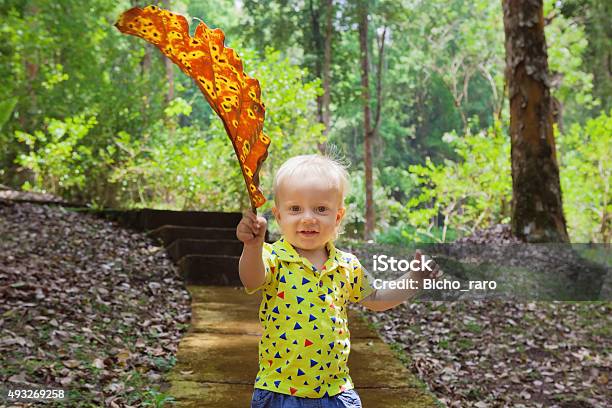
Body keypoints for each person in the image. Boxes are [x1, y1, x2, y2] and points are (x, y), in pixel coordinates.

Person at [236, 154, 442, 408]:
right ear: (278, 216)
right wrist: (253, 246)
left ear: (338, 216)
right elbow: (251, 278)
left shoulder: (346, 264)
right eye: (295, 209)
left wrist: (415, 278)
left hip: (335, 392)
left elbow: (377, 298)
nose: (308, 218)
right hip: (280, 390)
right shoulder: (273, 257)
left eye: (321, 209)